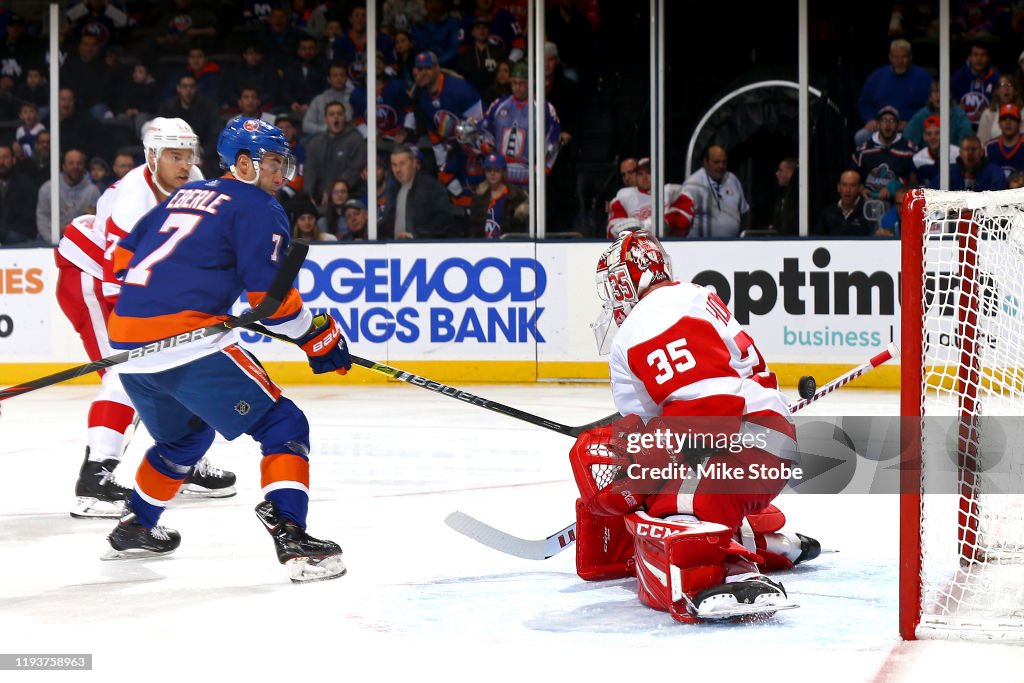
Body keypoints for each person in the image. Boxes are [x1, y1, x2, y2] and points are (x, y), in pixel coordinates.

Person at [103, 116, 351, 584]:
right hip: (185, 340)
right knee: (284, 425)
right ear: (242, 164)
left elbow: (118, 262)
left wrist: (177, 291)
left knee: (185, 440)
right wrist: (315, 336)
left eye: (283, 163)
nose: (282, 174)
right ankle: (293, 538)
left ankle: (136, 525)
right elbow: (269, 303)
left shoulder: (181, 196)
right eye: (273, 163)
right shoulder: (257, 204)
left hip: (129, 342)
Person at [572, 228, 815, 623]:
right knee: (669, 491)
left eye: (613, 286)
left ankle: (731, 571)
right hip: (765, 443)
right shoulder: (698, 296)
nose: (613, 299)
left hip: (741, 444)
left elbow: (711, 408)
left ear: (626, 280)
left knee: (671, 507)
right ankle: (771, 543)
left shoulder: (648, 317)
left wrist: (640, 468)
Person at [54, 118, 236, 519]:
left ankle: (182, 461)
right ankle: (95, 480)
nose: (184, 163)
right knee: (128, 372)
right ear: (152, 156)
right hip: (89, 277)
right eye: (174, 155)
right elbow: (116, 279)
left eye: (188, 154)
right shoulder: (132, 200)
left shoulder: (195, 181)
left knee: (178, 364)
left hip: (139, 280)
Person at [482, 61, 561, 187]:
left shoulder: (544, 108)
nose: (517, 87)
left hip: (527, 175)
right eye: (514, 82)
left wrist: (544, 167)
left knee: (524, 207)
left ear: (531, 82)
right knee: (495, 206)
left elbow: (553, 139)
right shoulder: (498, 105)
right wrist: (487, 144)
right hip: (500, 175)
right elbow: (486, 129)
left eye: (522, 83)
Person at [855, 39, 932, 146]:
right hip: (881, 126)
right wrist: (870, 119)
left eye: (903, 57)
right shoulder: (877, 76)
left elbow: (930, 107)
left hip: (909, 127)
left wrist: (913, 123)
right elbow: (864, 102)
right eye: (896, 57)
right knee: (861, 137)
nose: (899, 61)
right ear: (890, 57)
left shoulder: (922, 77)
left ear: (910, 57)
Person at [381, 146, 464, 239]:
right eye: (394, 165)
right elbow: (386, 224)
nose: (398, 170)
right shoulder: (393, 190)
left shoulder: (432, 188)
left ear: (414, 163)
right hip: (394, 250)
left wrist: (417, 237)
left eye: (402, 164)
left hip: (423, 250)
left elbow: (444, 222)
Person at [607, 157, 693, 238]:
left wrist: (664, 223)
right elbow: (611, 229)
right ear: (635, 176)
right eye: (640, 174)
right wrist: (617, 230)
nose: (645, 177)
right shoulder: (624, 196)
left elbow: (684, 217)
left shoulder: (671, 191)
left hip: (670, 244)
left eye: (649, 172)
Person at [304, 101, 366, 206]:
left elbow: (354, 170)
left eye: (339, 114)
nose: (336, 117)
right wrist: (308, 195)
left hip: (348, 197)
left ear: (345, 117)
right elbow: (310, 170)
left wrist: (332, 191)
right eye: (332, 114)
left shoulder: (355, 139)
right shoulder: (316, 142)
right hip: (321, 198)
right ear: (326, 119)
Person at [680, 145, 749, 238]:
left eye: (724, 162)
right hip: (701, 246)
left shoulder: (732, 180)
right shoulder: (693, 185)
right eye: (716, 162)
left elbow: (744, 212)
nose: (721, 166)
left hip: (733, 245)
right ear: (706, 162)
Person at [851, 105, 916, 204]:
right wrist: (860, 189)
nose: (888, 125)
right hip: (866, 202)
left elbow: (914, 181)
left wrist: (894, 188)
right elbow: (851, 174)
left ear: (898, 125)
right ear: (878, 124)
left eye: (892, 121)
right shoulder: (864, 150)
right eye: (884, 120)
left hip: (897, 205)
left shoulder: (908, 150)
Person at [36, 148, 100, 243]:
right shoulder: (48, 188)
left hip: (80, 242)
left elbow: (95, 224)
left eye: (79, 163)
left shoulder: (93, 192)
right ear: (64, 166)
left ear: (84, 167)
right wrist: (53, 242)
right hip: (50, 239)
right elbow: (42, 218)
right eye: (71, 163)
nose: (75, 167)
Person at [469, 152, 527, 238]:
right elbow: (474, 227)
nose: (492, 173)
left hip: (508, 247)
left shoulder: (515, 195)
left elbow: (520, 230)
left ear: (503, 172)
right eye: (489, 170)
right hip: (482, 247)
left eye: (496, 170)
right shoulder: (480, 197)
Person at [904, 79, 973, 149]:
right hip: (927, 157)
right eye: (935, 91)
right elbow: (908, 140)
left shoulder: (959, 114)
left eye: (942, 91)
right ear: (930, 97)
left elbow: (966, 142)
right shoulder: (922, 115)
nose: (939, 95)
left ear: (950, 96)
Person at [930, 134, 1007, 191]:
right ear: (960, 152)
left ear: (981, 152)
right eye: (966, 149)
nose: (970, 153)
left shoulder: (995, 173)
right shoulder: (950, 173)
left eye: (973, 149)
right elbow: (931, 192)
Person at [951, 43, 999, 128]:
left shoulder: (995, 78)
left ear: (988, 59)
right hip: (962, 127)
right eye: (975, 54)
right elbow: (952, 104)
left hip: (988, 126)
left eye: (983, 55)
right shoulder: (958, 77)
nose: (979, 59)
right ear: (969, 58)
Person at [0, 143, 40, 245]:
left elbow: (28, 218)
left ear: (13, 160)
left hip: (18, 235)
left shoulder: (26, 185)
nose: (1, 162)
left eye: (5, 157)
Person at [303, 62, 356, 138]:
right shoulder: (319, 99)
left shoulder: (354, 96)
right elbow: (306, 125)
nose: (339, 78)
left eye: (342, 75)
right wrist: (326, 130)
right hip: (322, 137)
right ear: (328, 79)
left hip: (347, 137)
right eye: (335, 75)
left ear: (346, 78)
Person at [815, 169, 874, 236]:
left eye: (852, 185)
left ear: (860, 188)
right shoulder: (828, 214)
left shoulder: (868, 214)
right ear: (838, 188)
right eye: (844, 185)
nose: (848, 190)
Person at [913, 115, 960, 187]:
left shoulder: (958, 154)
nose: (933, 137)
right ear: (924, 136)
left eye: (937, 133)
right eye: (929, 134)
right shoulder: (917, 159)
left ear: (945, 134)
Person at [977, 75, 1022, 146]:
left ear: (1015, 91)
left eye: (1010, 85)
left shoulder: (1023, 112)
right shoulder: (988, 114)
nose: (1006, 88)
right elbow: (982, 143)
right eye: (1002, 85)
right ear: (997, 91)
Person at [983, 104, 1024, 179]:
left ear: (1020, 124)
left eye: (1012, 118)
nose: (1008, 122)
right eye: (1004, 119)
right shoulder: (988, 147)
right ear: (999, 123)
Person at [769, 157, 798, 235]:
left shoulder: (799, 196)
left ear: (791, 172)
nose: (777, 173)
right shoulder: (783, 195)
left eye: (781, 170)